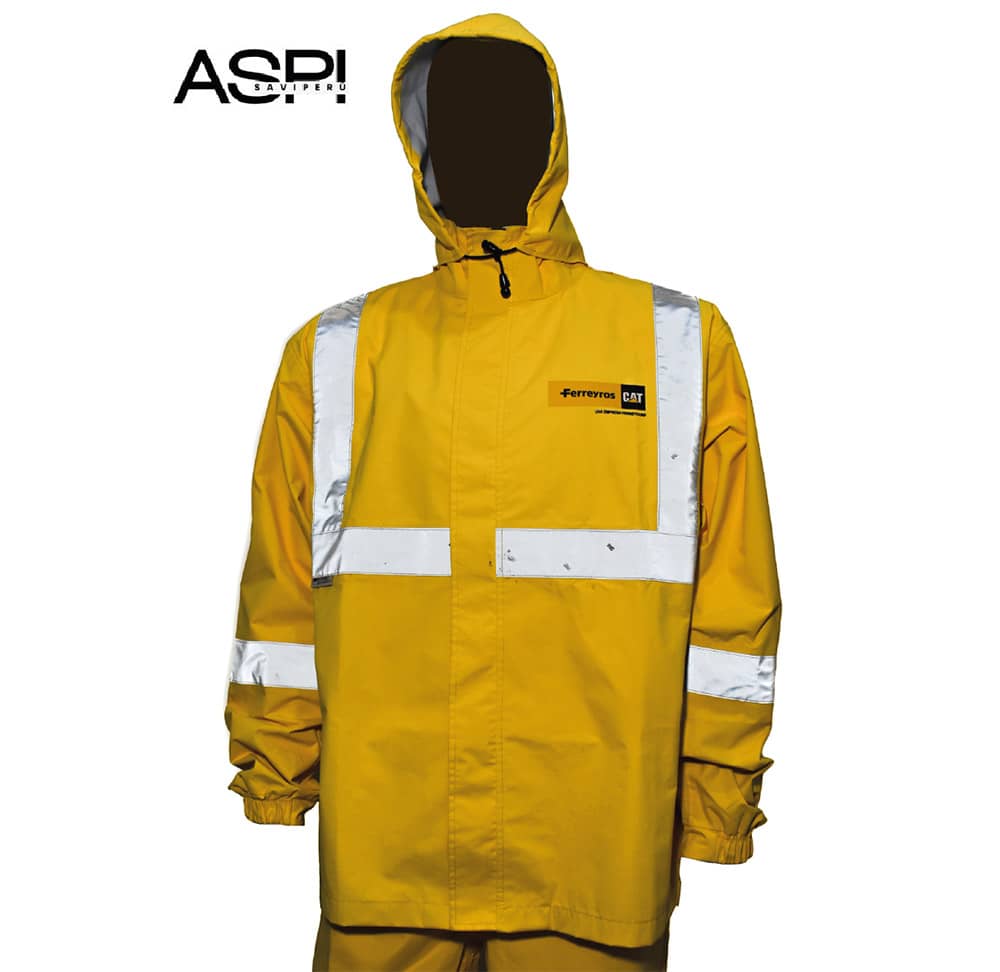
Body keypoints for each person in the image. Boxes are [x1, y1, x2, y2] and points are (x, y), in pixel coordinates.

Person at [224, 12, 782, 971]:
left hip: (591, 848)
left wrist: (717, 796)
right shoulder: (337, 349)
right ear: (417, 144)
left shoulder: (678, 340)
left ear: (554, 139)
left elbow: (737, 597)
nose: (480, 144)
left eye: (510, 117)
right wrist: (276, 766)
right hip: (391, 847)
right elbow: (278, 593)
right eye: (454, 120)